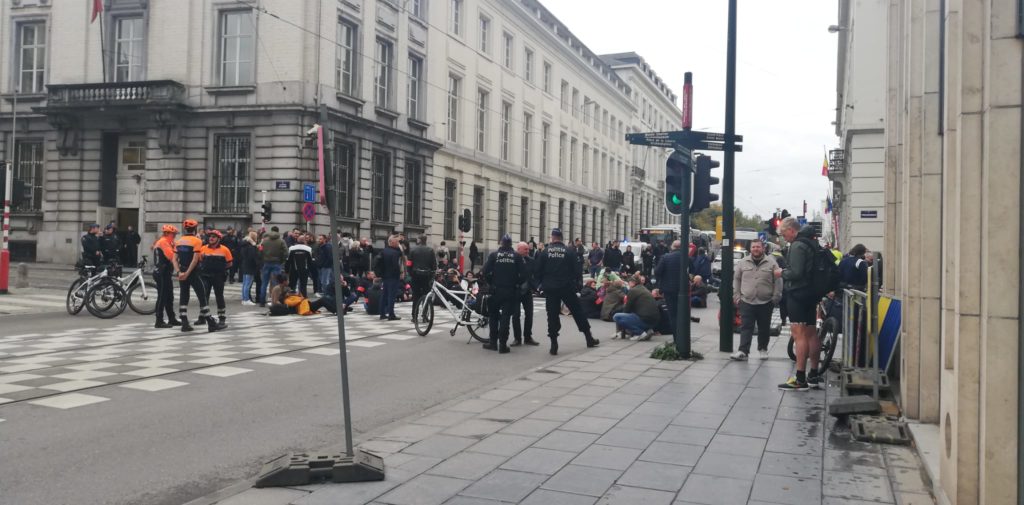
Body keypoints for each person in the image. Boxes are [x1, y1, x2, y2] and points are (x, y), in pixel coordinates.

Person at [534, 228, 599, 355]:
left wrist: (541, 286)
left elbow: (538, 271)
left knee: (552, 315)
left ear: (552, 238)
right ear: (561, 238)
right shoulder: (569, 252)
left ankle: (554, 344)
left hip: (551, 289)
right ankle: (588, 338)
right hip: (567, 287)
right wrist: (576, 285)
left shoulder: (546, 252)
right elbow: (577, 271)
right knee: (577, 312)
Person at [776, 218, 821, 390]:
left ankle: (800, 378)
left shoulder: (797, 246)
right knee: (811, 333)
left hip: (798, 293)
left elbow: (795, 272)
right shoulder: (811, 243)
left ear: (792, 230)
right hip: (811, 293)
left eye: (783, 233)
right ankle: (814, 374)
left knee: (799, 334)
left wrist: (781, 272)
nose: (783, 237)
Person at [731, 239, 783, 360]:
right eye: (753, 247)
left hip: (765, 301)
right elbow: (737, 279)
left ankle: (763, 349)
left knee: (764, 327)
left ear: (763, 248)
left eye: (758, 247)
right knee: (746, 327)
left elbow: (778, 281)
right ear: (750, 249)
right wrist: (737, 295)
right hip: (747, 301)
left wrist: (776, 297)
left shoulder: (772, 263)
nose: (756, 249)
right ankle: (743, 351)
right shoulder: (743, 262)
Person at [481, 234, 526, 353]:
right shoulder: (516, 256)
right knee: (506, 317)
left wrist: (491, 282)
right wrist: (517, 283)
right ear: (511, 244)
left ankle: (493, 342)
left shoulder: (494, 255)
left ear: (501, 243)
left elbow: (485, 272)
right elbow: (524, 274)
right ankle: (502, 344)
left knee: (493, 317)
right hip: (510, 290)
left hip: (495, 290)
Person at [174, 219, 217, 332]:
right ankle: (210, 322)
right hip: (193, 272)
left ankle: (184, 322)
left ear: (185, 229)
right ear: (195, 229)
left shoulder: (179, 241)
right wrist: (188, 273)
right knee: (202, 295)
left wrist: (179, 272)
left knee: (184, 296)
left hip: (182, 271)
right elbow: (195, 259)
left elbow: (174, 259)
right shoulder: (197, 241)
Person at [199, 230, 232, 330]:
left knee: (219, 297)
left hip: (218, 277)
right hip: (205, 276)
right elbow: (199, 260)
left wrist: (220, 269)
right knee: (204, 297)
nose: (211, 238)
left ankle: (222, 318)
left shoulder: (225, 250)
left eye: (213, 237)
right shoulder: (203, 248)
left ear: (218, 239)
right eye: (210, 237)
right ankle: (202, 317)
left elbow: (229, 263)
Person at [613, 274, 661, 341]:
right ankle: (646, 330)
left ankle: (640, 333)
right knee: (631, 316)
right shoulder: (644, 289)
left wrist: (622, 326)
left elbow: (627, 309)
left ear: (633, 282)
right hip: (653, 321)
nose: (628, 284)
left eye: (629, 282)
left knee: (617, 316)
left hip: (644, 319)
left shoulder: (633, 291)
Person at [511, 241, 540, 346]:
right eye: (526, 249)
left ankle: (528, 337)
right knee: (516, 316)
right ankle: (517, 338)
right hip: (515, 291)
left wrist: (536, 287)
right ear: (518, 249)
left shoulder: (531, 261)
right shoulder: (512, 259)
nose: (528, 251)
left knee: (529, 315)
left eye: (528, 249)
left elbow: (535, 275)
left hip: (527, 292)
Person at [151, 225, 181, 328]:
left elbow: (177, 247)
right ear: (167, 233)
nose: (175, 236)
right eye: (173, 234)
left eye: (175, 234)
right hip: (161, 273)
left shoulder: (169, 242)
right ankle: (159, 321)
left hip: (166, 273)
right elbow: (171, 256)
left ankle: (171, 318)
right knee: (162, 297)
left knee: (169, 297)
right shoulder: (163, 242)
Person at [654, 240, 683, 330]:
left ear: (672, 247)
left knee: (672, 314)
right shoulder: (685, 257)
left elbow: (657, 272)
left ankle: (676, 338)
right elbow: (692, 270)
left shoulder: (665, 257)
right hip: (682, 289)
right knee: (681, 313)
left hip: (668, 289)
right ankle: (682, 336)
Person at [409, 235, 437, 320]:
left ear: (419, 240)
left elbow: (409, 263)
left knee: (416, 296)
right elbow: (434, 265)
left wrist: (410, 273)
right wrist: (432, 275)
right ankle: (425, 315)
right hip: (427, 276)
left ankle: (414, 316)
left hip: (415, 275)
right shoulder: (430, 250)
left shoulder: (413, 250)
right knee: (426, 296)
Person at [376, 236, 403, 321]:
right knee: (391, 296)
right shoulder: (394, 253)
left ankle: (382, 314)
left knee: (384, 295)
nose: (398, 244)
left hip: (385, 276)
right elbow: (396, 265)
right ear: (392, 242)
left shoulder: (383, 251)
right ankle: (391, 314)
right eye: (397, 242)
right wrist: (400, 273)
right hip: (393, 277)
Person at [259, 226, 287, 306]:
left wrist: (263, 259)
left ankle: (262, 302)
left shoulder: (264, 241)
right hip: (277, 263)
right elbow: (286, 253)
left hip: (266, 262)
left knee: (264, 283)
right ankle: (274, 301)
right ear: (278, 232)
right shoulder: (281, 241)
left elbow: (260, 251)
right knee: (275, 282)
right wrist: (282, 260)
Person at [239, 231, 259, 306]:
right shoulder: (251, 246)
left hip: (244, 265)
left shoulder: (244, 245)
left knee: (245, 284)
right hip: (250, 266)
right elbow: (253, 257)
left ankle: (244, 299)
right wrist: (258, 264)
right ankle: (246, 299)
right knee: (248, 284)